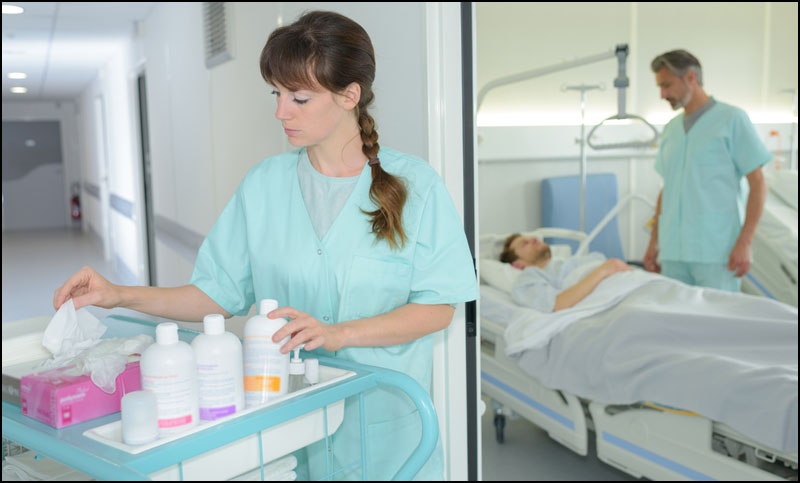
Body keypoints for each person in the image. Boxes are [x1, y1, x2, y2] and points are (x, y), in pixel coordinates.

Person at [53, 11, 478, 480]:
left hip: (386, 433)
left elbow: (438, 308)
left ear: (349, 95)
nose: (281, 112)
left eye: (299, 97)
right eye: (276, 93)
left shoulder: (415, 186)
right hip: (288, 429)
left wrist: (340, 334)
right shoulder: (263, 186)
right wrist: (119, 293)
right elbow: (217, 294)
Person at [643, 49, 771, 292]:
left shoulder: (731, 119)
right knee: (676, 325)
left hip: (716, 253)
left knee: (719, 326)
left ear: (691, 77)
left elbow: (758, 183)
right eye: (660, 87)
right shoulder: (671, 129)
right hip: (673, 252)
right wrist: (654, 241)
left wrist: (745, 241)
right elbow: (667, 189)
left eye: (667, 85)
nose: (662, 94)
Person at [499, 234, 631, 313]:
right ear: (518, 264)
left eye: (531, 238)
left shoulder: (570, 262)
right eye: (524, 243)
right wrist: (603, 270)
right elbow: (557, 304)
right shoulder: (528, 278)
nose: (533, 239)